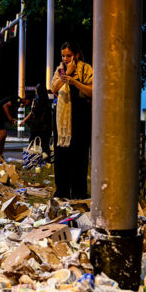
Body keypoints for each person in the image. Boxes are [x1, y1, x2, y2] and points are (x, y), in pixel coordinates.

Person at [50, 42, 93, 199]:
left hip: (80, 116)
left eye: (68, 55)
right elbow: (54, 87)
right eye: (63, 55)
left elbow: (92, 91)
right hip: (62, 118)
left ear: (76, 55)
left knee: (79, 154)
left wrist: (74, 81)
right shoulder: (60, 69)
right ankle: (61, 190)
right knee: (61, 153)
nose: (65, 58)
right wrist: (66, 73)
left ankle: (78, 191)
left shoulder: (86, 69)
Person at [20, 83, 53, 162]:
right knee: (45, 144)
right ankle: (47, 160)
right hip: (47, 126)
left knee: (33, 142)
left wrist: (25, 120)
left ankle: (32, 160)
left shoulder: (36, 101)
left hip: (37, 126)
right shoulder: (48, 101)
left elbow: (32, 113)